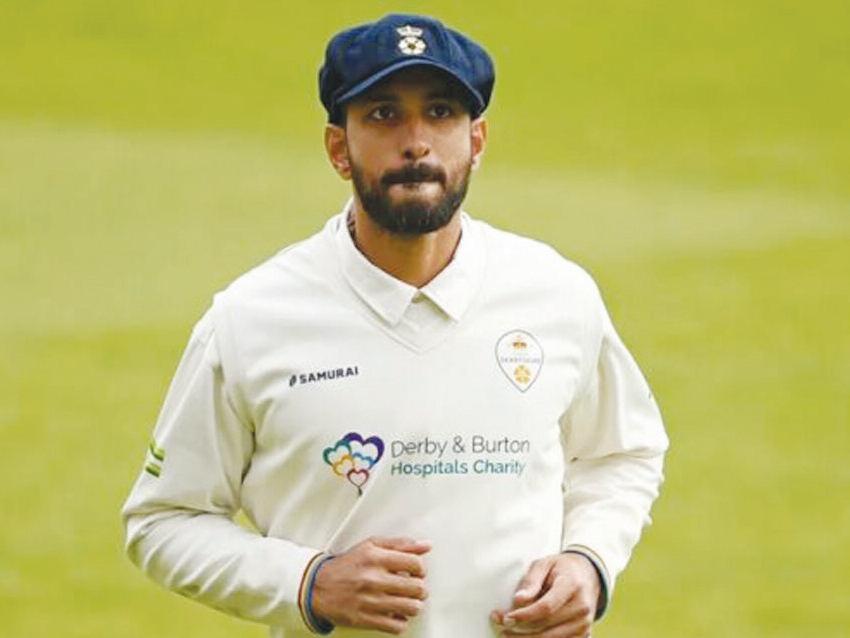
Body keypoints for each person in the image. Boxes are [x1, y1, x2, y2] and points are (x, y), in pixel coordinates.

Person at [122, 13, 668, 638]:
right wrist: (307, 582)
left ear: (477, 140)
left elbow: (623, 452)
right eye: (384, 114)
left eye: (440, 112)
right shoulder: (251, 319)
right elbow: (163, 520)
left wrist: (588, 560)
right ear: (338, 148)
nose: (416, 142)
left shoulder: (556, 294)